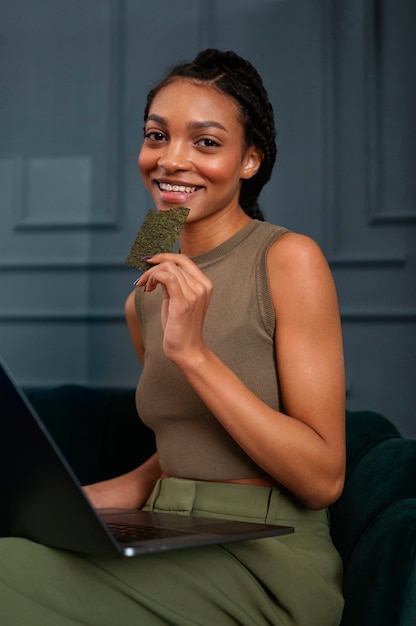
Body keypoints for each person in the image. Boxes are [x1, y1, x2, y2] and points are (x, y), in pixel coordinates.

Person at [0, 49, 346, 625]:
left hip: (265, 558)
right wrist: (70, 505)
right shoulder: (147, 286)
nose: (171, 160)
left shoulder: (289, 258)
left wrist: (194, 355)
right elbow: (180, 454)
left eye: (206, 142)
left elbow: (323, 480)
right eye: (157, 136)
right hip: (172, 530)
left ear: (250, 159)